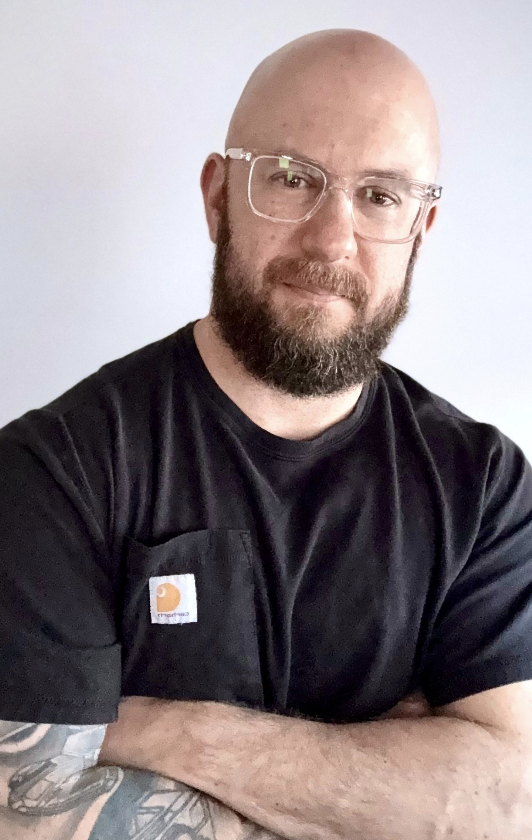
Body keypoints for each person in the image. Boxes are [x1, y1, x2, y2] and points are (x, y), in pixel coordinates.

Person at [0, 27, 531, 840]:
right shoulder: (56, 469)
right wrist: (395, 778)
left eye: (380, 195)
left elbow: (510, 802)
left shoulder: (484, 488)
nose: (330, 239)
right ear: (218, 198)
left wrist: (165, 731)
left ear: (422, 230)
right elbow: (30, 812)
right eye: (290, 179)